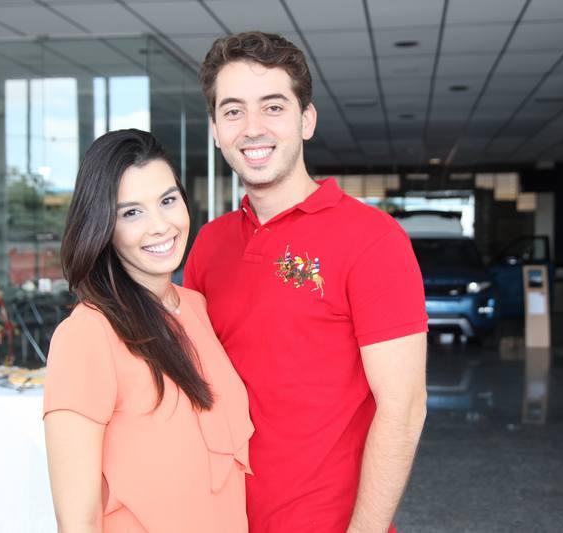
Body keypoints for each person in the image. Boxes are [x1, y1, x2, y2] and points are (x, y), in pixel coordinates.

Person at [184, 32, 428, 533]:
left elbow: (403, 410)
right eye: (233, 111)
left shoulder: (373, 240)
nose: (253, 128)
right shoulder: (209, 244)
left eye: (273, 107)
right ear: (215, 130)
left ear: (306, 120)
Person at [43, 129, 253, 533]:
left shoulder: (197, 308)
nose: (160, 226)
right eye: (131, 213)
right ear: (103, 227)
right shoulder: (87, 335)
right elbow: (78, 521)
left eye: (167, 201)